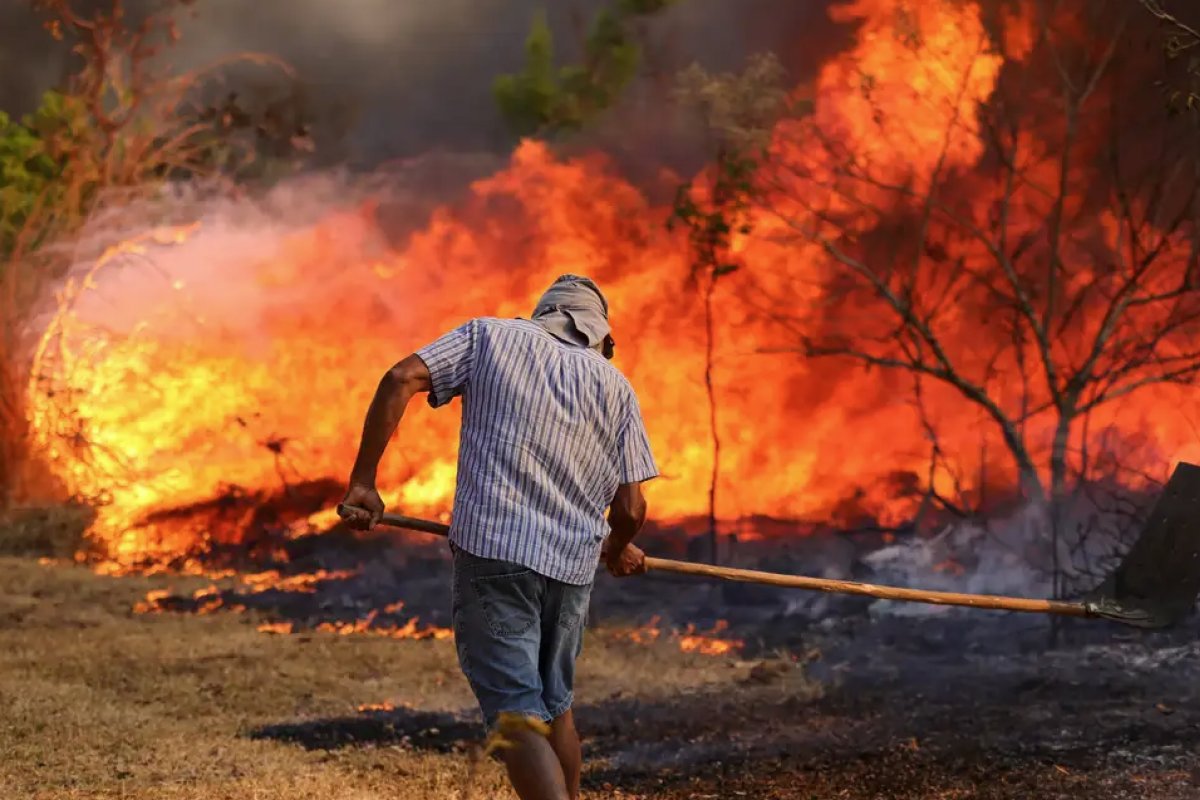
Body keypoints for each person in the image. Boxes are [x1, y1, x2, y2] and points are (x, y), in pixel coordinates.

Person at [339, 274, 658, 800]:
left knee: (516, 714)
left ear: (543, 315)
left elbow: (401, 377)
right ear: (600, 334)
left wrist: (363, 482)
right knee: (555, 706)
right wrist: (617, 546)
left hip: (496, 554)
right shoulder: (616, 386)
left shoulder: (490, 337)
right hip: (571, 570)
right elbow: (631, 507)